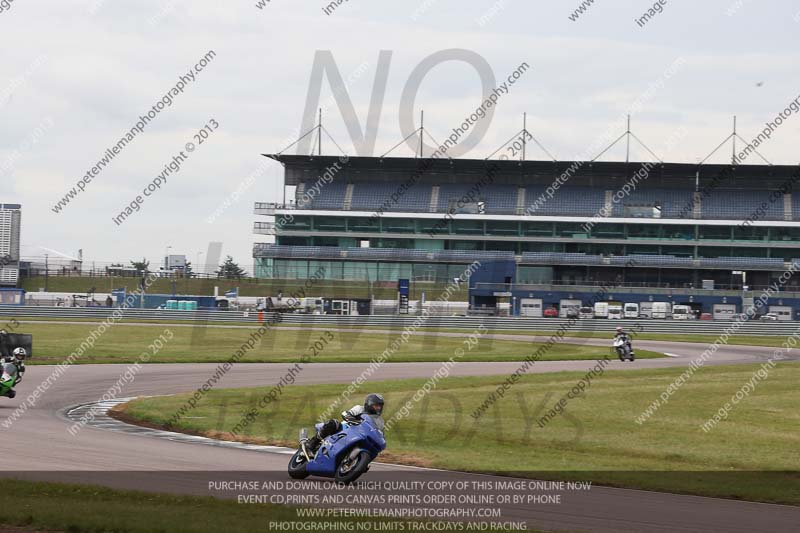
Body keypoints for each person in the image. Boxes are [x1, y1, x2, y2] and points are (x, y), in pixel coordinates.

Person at [303, 393, 385, 457]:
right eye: (376, 405)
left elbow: (380, 432)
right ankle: (311, 444)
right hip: (345, 429)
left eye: (380, 406)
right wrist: (353, 420)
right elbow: (345, 413)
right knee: (333, 423)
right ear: (369, 404)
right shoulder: (359, 409)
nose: (378, 408)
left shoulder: (379, 420)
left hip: (360, 436)